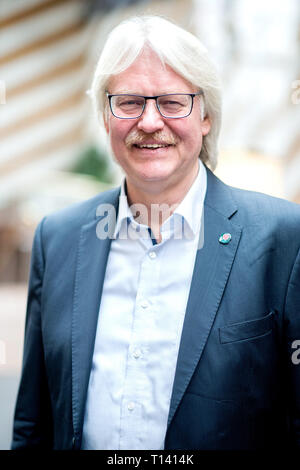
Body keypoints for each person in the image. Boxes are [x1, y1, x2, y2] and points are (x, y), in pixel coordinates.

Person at [12, 15, 300, 450]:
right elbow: (32, 423)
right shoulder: (57, 238)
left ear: (205, 117)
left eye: (171, 102)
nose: (149, 122)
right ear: (106, 117)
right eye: (128, 102)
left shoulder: (282, 238)